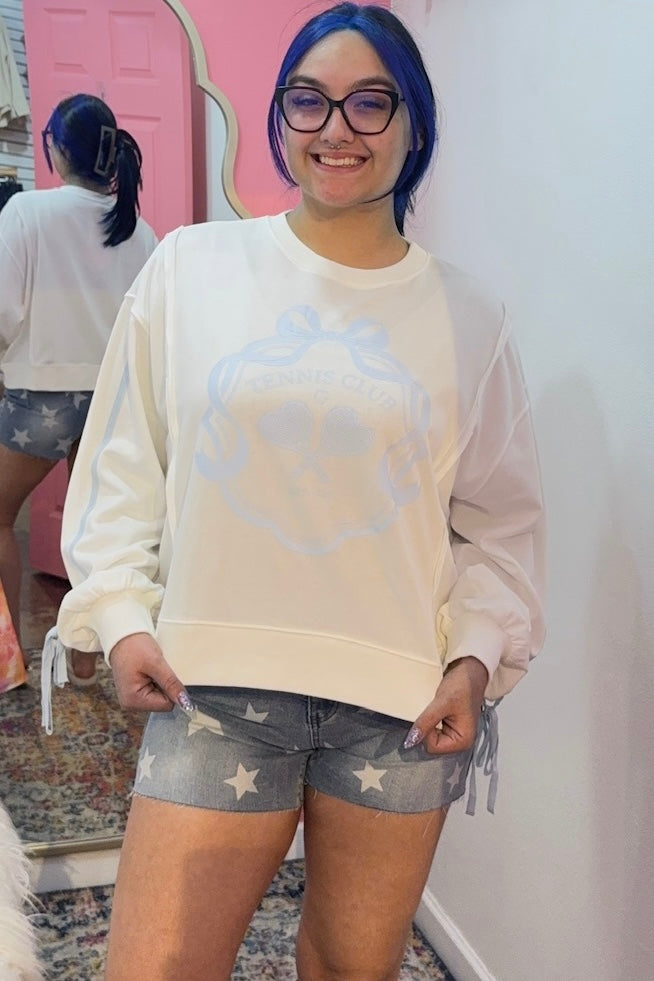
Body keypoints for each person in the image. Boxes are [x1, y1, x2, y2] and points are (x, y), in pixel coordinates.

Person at [50, 4, 545, 978]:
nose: (336, 128)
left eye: (371, 102)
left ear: (416, 123)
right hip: (211, 687)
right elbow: (125, 458)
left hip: (399, 706)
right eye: (308, 100)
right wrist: (120, 615)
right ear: (279, 117)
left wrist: (476, 656)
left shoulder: (470, 318)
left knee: (352, 969)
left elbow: (501, 519)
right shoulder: (193, 267)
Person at [0, 93, 158, 683]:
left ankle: (9, 661)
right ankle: (87, 662)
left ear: (57, 149)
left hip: (40, 397)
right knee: (94, 530)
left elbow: (3, 311)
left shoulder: (26, 211)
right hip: (112, 401)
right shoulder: (139, 231)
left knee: (0, 518)